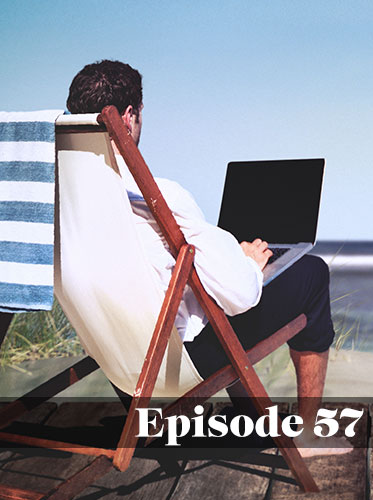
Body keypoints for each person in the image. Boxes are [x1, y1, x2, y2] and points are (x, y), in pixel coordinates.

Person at [67, 60, 351, 457]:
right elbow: (239, 296)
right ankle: (306, 433)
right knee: (311, 273)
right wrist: (249, 262)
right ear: (129, 116)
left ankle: (255, 421)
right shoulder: (158, 197)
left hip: (120, 364)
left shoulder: (64, 207)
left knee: (212, 282)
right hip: (180, 362)